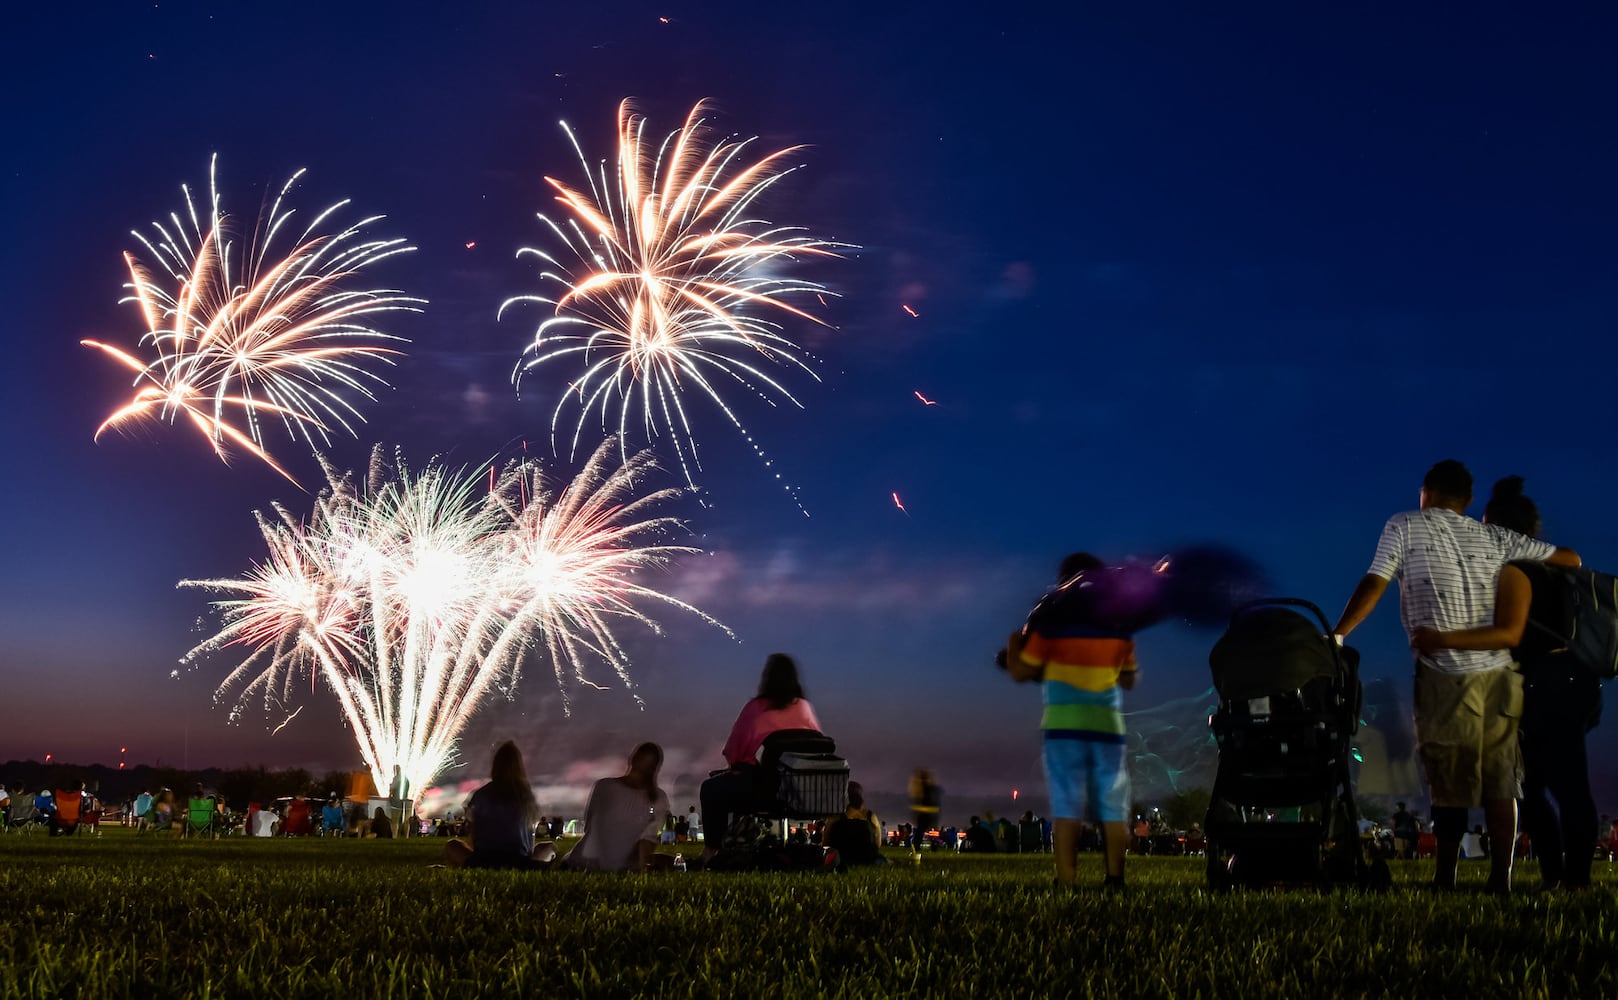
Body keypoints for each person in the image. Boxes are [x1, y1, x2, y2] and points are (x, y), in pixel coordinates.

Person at [1334, 460, 1579, 891]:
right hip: (1500, 674)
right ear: (1467, 502)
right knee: (1503, 780)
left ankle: (1445, 878)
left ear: (1424, 492)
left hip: (1443, 674)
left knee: (1449, 782)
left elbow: (1376, 580)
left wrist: (1338, 633)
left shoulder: (1405, 524)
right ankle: (1500, 878)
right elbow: (1570, 558)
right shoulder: (1494, 536)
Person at [1410, 477, 1600, 890]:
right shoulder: (1552, 564)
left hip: (1545, 683)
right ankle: (1566, 878)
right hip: (1574, 680)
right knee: (1551, 786)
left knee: (1540, 789)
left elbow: (1510, 634)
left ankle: (1565, 878)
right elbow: (1575, 558)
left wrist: (1441, 639)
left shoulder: (1517, 570)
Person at [1005, 552, 1138, 888]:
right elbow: (1128, 680)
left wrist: (1012, 645)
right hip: (1107, 726)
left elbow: (1023, 670)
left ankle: (1066, 880)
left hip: (1063, 727)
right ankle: (1115, 879)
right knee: (1112, 804)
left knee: (1067, 804)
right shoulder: (1118, 626)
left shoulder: (1050, 622)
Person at [699, 653, 822, 862]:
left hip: (761, 787)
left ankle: (712, 850)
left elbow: (733, 751)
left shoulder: (756, 708)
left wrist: (739, 766)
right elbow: (816, 744)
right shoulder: (804, 707)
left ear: (767, 677)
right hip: (799, 791)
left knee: (710, 788)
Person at [563, 742, 671, 872]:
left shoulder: (604, 786)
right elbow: (648, 838)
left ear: (632, 759)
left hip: (586, 860)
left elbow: (589, 825)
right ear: (655, 768)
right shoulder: (659, 797)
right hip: (624, 865)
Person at [444, 741, 552, 870]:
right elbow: (530, 834)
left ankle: (467, 867)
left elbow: (473, 833)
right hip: (520, 862)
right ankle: (537, 866)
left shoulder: (480, 795)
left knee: (452, 845)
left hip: (483, 861)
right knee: (550, 847)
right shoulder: (527, 795)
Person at [822, 780, 884, 867]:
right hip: (868, 858)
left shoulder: (835, 817)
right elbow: (878, 844)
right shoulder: (871, 816)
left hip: (842, 858)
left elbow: (826, 843)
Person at [907, 768, 941, 850]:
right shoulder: (931, 787)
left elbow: (916, 798)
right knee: (930, 831)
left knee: (920, 830)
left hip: (923, 812)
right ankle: (933, 846)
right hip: (930, 812)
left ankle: (917, 846)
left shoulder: (920, 786)